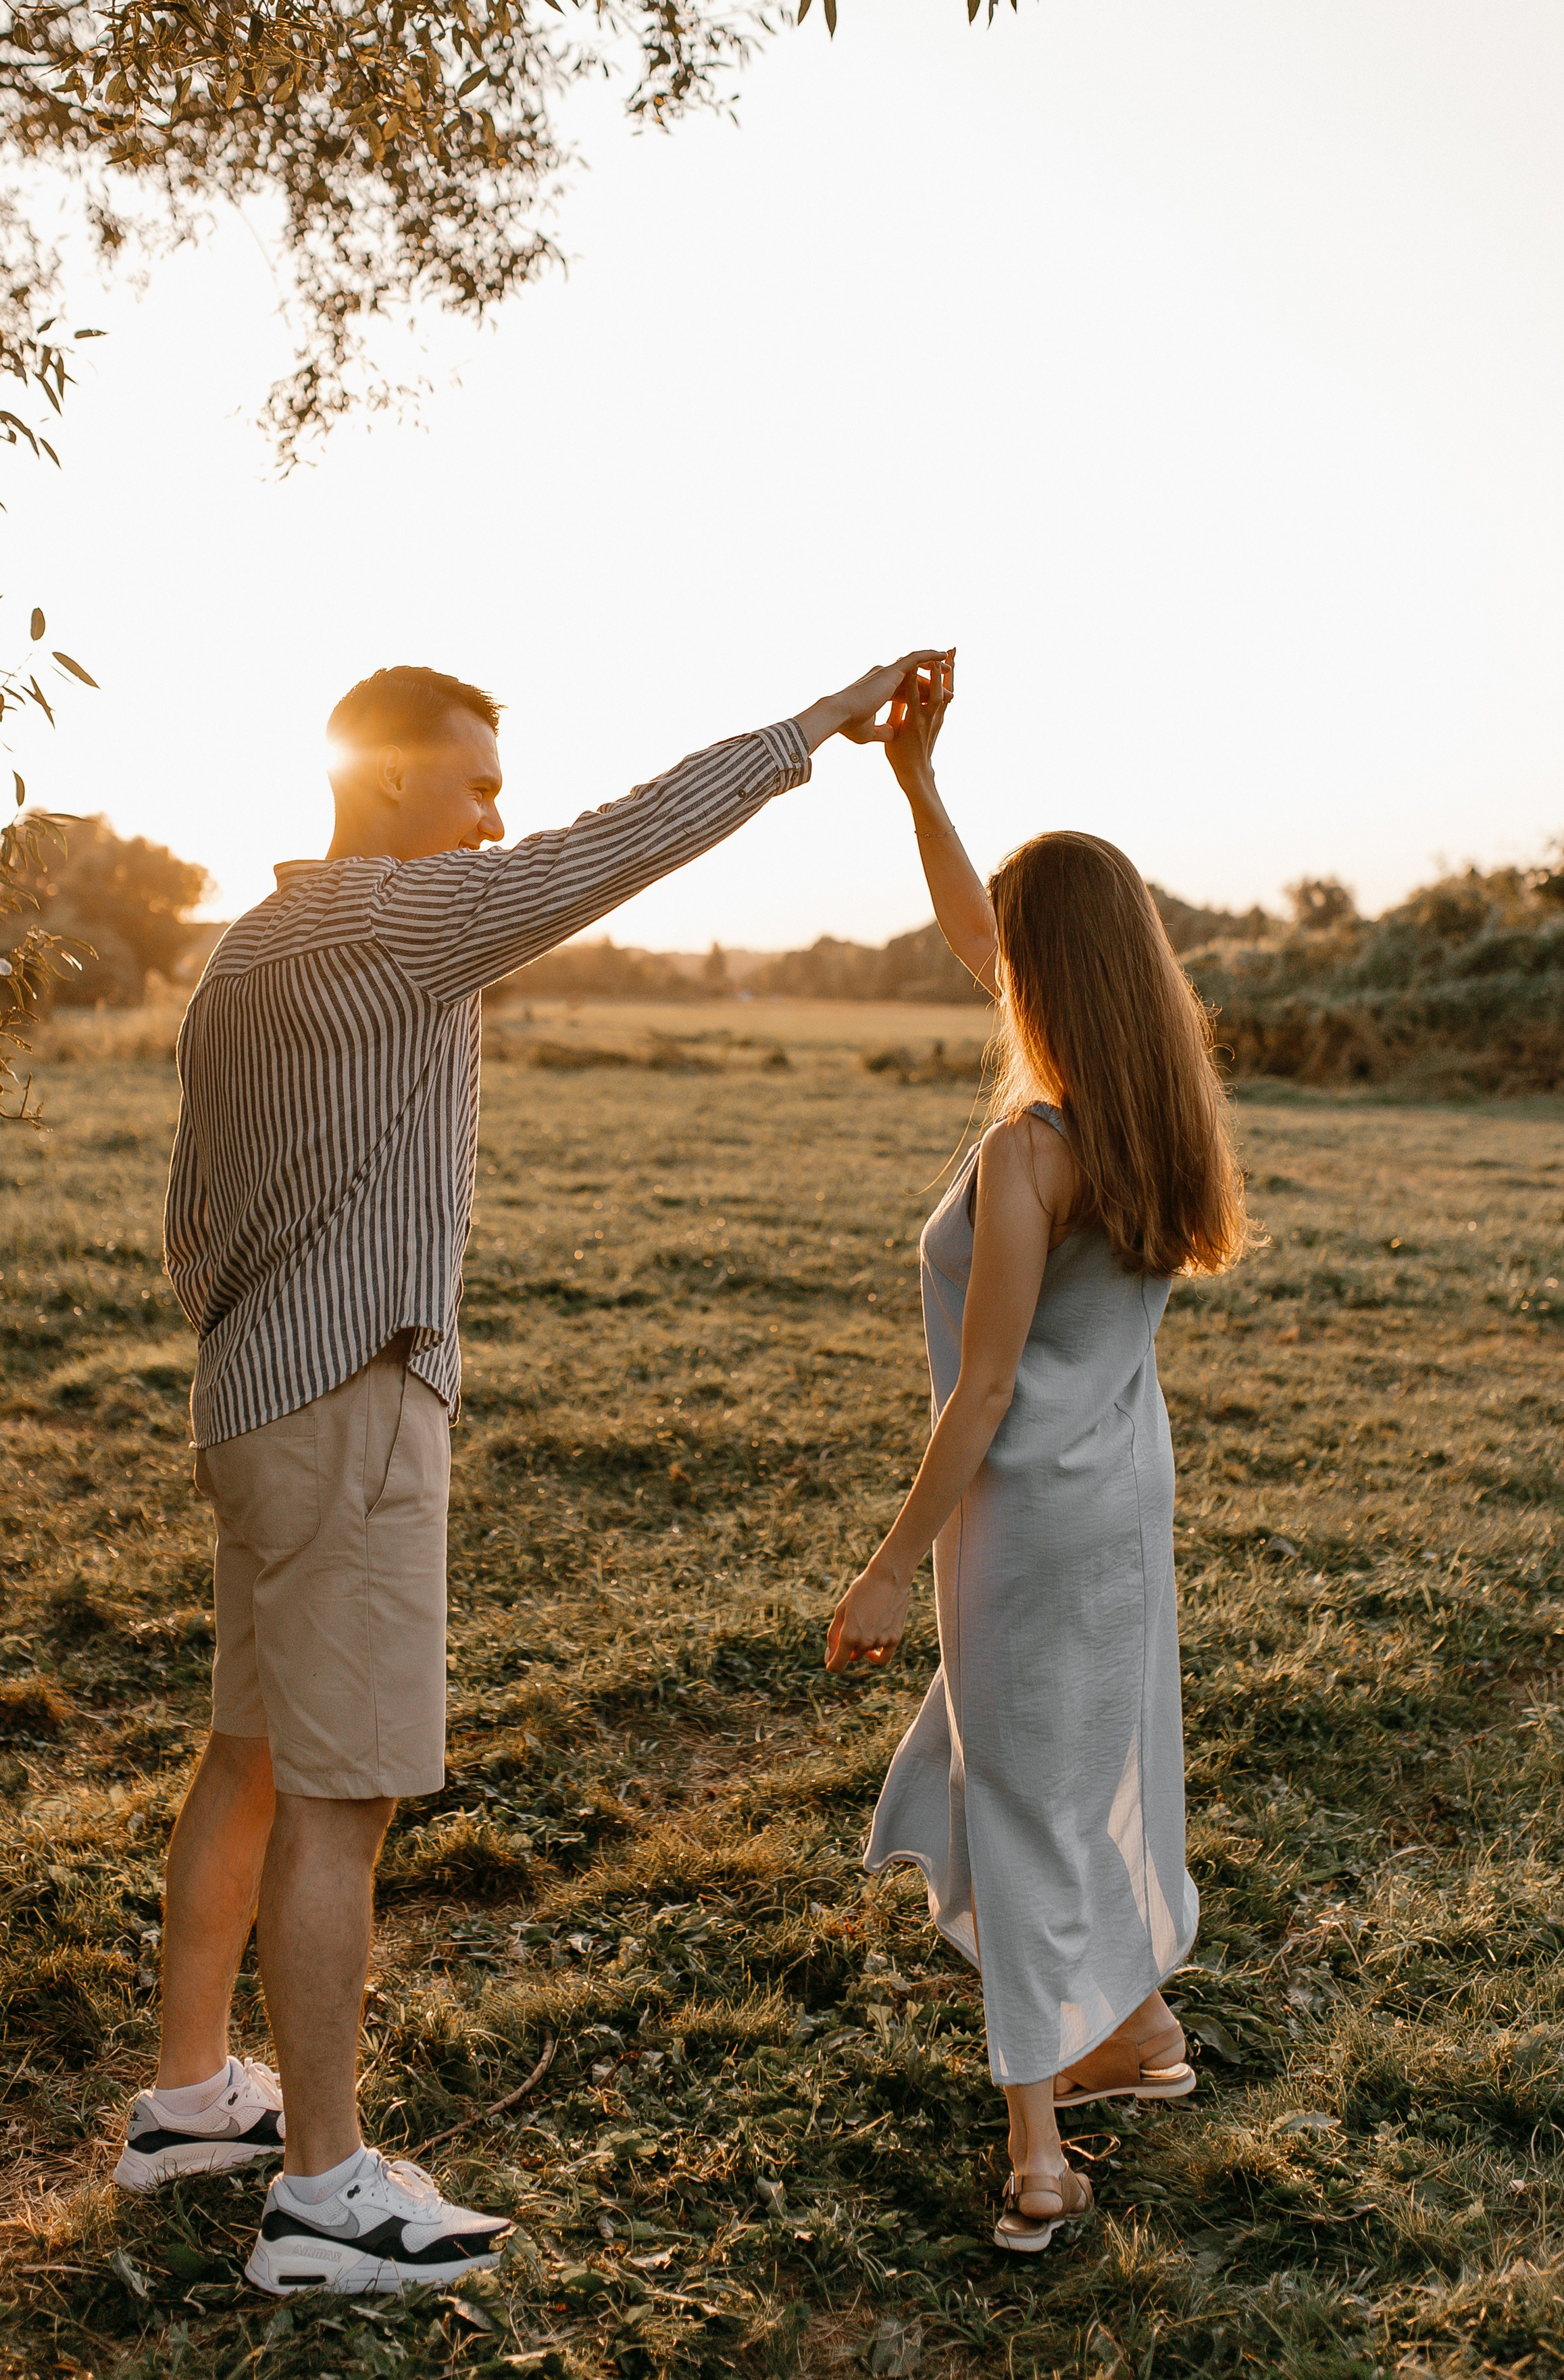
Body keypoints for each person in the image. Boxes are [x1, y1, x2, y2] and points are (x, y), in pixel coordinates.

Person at [117, 653, 941, 2296]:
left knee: (255, 1754)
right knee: (342, 1794)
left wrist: (260, 1336)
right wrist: (813, 728)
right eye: (476, 780)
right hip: (349, 1400)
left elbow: (189, 1216)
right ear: (391, 777)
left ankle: (186, 2100)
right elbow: (617, 842)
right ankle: (324, 2195)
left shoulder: (250, 949)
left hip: (254, 1400)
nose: (498, 814)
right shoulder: (404, 923)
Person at [826, 658, 1251, 2254]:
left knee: (1011, 1791)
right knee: (1044, 1762)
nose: (984, 970)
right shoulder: (1143, 1117)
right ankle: (1130, 2029)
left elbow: (981, 1387)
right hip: (1120, 1499)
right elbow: (976, 935)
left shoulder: (1028, 1147)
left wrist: (882, 1566)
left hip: (1016, 1515)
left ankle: (1037, 2153)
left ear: (1047, 981)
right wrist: (920, 786)